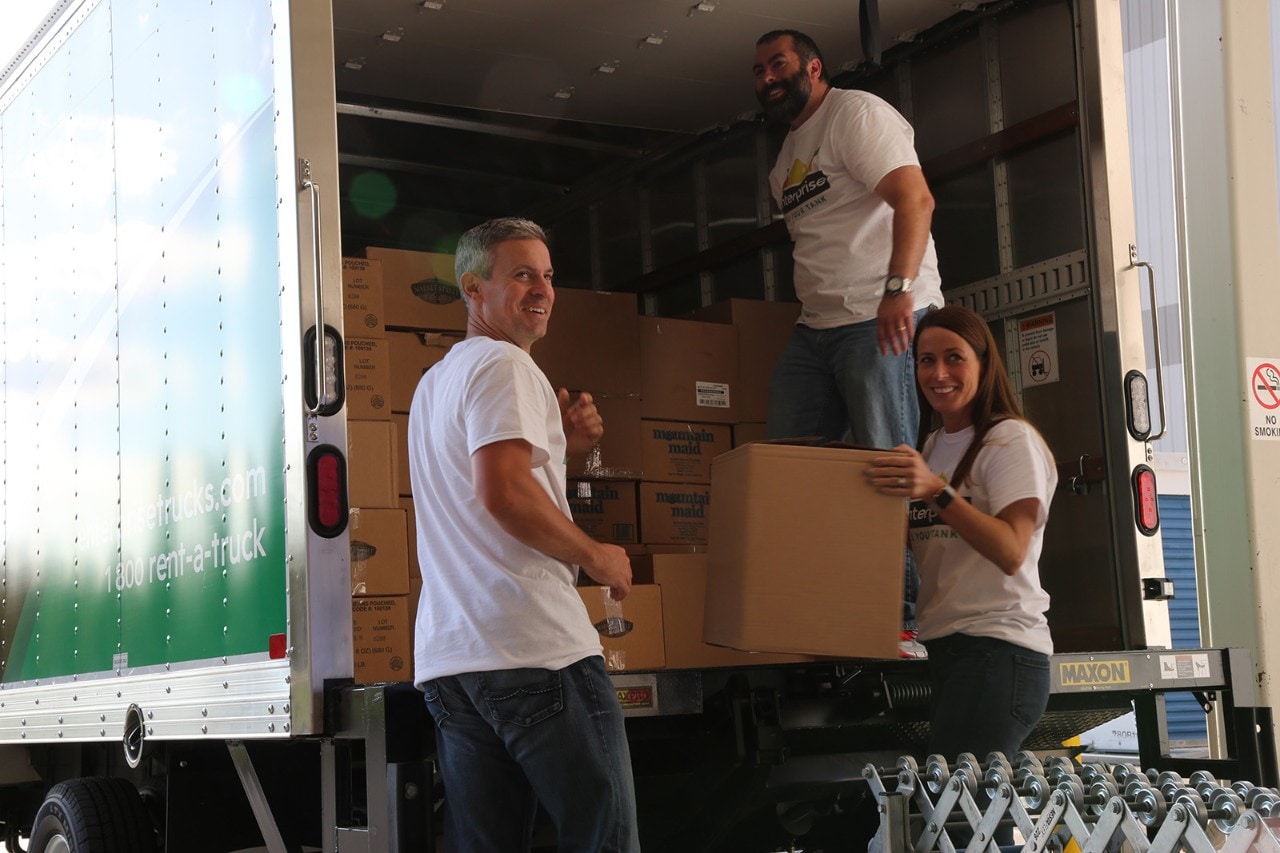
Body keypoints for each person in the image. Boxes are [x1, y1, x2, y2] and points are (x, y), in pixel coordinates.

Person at [408, 217, 640, 852]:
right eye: (522, 275)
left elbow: (488, 494)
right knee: (605, 839)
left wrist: (561, 449)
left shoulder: (434, 384)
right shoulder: (504, 365)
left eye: (548, 275)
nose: (542, 289)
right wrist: (598, 555)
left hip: (455, 663)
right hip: (533, 649)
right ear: (473, 288)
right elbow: (504, 493)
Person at [753, 29, 944, 654]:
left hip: (878, 316)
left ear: (813, 66)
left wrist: (899, 289)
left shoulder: (854, 114)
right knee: (793, 464)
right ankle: (817, 609)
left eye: (777, 65)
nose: (767, 79)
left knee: (885, 465)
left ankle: (900, 619)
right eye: (758, 72)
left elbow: (914, 198)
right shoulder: (786, 159)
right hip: (818, 327)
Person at [865, 305, 1055, 764]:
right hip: (950, 650)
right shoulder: (931, 447)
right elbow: (925, 546)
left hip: (999, 651)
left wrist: (936, 491)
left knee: (957, 816)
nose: (938, 373)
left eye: (954, 358)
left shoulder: (1009, 441)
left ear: (984, 364)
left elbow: (1012, 550)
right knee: (968, 816)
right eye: (926, 360)